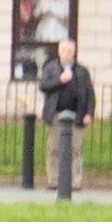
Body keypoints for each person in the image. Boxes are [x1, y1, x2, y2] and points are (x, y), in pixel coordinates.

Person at [38, 38, 96, 202]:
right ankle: (53, 181)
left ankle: (76, 182)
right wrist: (59, 80)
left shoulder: (82, 71)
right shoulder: (50, 68)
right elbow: (43, 86)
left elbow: (90, 94)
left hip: (76, 114)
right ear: (59, 52)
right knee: (54, 149)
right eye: (64, 50)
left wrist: (89, 113)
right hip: (56, 115)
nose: (67, 53)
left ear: (74, 52)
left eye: (70, 51)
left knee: (76, 149)